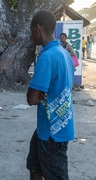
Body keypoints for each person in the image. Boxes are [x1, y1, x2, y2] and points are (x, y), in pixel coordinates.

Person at [27, 10, 74, 180]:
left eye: (31, 29)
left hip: (52, 132)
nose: (31, 34)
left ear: (38, 28)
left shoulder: (46, 57)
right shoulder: (64, 53)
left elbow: (31, 99)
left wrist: (38, 92)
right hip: (54, 126)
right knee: (34, 166)